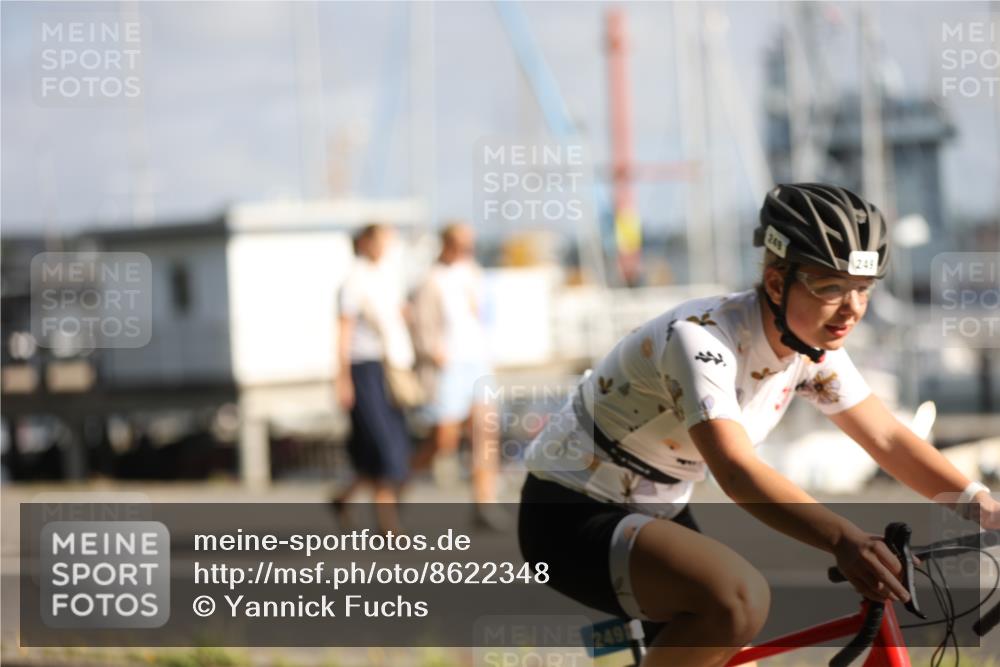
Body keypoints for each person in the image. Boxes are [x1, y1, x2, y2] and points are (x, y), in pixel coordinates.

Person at [517, 184, 1000, 667]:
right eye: (829, 286)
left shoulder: (814, 351)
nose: (851, 307)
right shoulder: (702, 340)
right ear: (775, 282)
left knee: (734, 637)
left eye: (863, 288)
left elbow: (888, 438)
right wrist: (843, 540)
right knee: (739, 600)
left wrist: (981, 505)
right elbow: (735, 468)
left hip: (655, 506)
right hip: (570, 510)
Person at [410, 222, 506, 529]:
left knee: (484, 435)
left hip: (476, 362)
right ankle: (396, 482)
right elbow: (421, 325)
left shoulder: (472, 273)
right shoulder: (430, 280)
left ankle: (484, 504)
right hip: (447, 368)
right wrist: (433, 352)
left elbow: (481, 315)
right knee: (444, 439)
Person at [332, 223, 416, 535]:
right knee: (382, 445)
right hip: (363, 367)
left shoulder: (386, 277)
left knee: (389, 444)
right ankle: (388, 527)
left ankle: (345, 497)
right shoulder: (353, 281)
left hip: (390, 364)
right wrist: (342, 378)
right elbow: (344, 330)